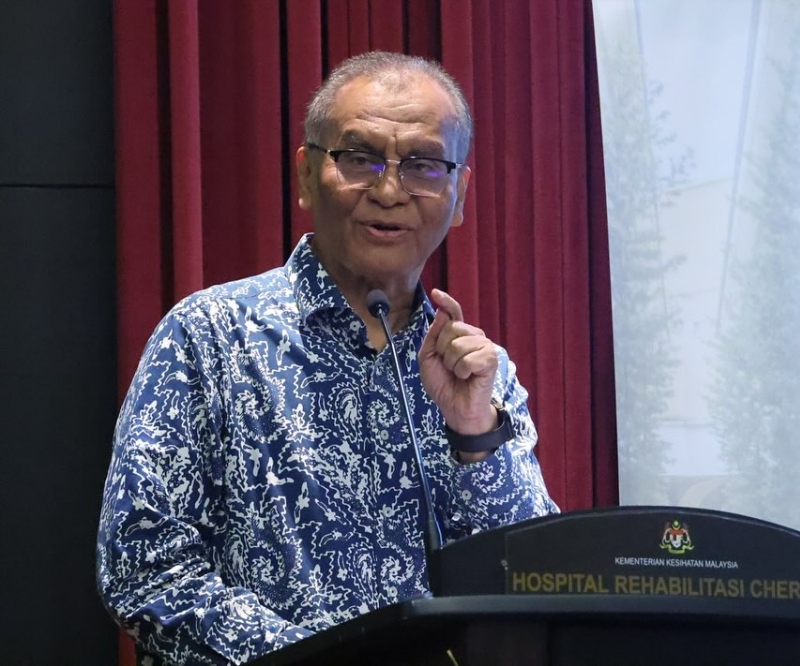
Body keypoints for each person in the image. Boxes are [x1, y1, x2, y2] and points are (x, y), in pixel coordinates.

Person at [97, 51, 559, 665]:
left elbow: (533, 582)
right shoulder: (208, 337)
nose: (389, 192)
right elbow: (146, 570)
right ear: (307, 176)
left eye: (422, 165)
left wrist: (477, 435)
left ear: (459, 194)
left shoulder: (479, 373)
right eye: (360, 159)